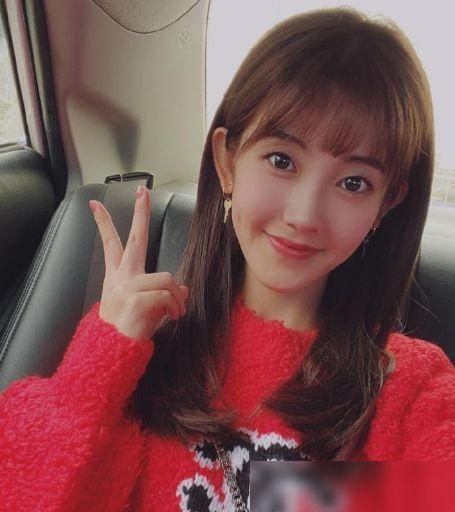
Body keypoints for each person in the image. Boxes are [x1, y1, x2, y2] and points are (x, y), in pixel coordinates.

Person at [1, 6, 454, 512]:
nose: (304, 215)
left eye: (354, 183)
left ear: (384, 206)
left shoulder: (407, 388)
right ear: (227, 161)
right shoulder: (144, 349)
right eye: (282, 160)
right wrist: (102, 357)